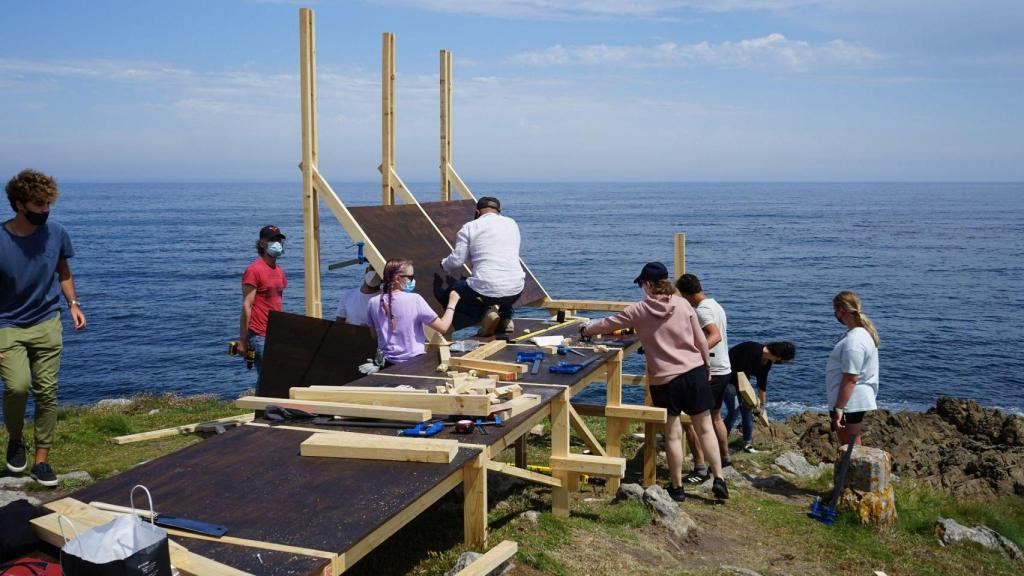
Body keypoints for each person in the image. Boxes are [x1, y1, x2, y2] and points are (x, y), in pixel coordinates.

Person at [582, 262, 729, 502]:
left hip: (665, 380)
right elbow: (701, 340)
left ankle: (677, 487)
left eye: (642, 284)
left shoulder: (638, 310)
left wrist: (586, 329)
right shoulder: (682, 303)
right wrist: (706, 367)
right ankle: (720, 478)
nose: (641, 288)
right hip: (694, 372)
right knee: (704, 428)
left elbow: (609, 323)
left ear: (649, 284)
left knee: (672, 435)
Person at [1, 169, 87, 487]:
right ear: (19, 204)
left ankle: (41, 461)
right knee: (17, 386)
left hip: (47, 320)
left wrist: (73, 305)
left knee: (47, 391)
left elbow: (63, 271)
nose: (45, 210)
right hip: (7, 324)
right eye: (38, 204)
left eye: (48, 203)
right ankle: (15, 439)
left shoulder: (57, 233)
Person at [675, 273, 732, 485]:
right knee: (715, 417)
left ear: (685, 294)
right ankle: (724, 458)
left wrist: (696, 353)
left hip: (713, 370)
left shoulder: (702, 310)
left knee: (693, 421)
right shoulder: (714, 304)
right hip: (724, 368)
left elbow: (714, 335)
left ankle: (700, 468)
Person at [440, 196, 524, 336]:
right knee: (502, 279)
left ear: (477, 212)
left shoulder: (469, 227)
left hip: (487, 291)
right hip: (516, 290)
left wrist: (444, 265)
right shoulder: (512, 223)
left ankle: (485, 315)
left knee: (456, 289)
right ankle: (506, 319)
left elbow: (457, 260)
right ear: (499, 211)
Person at [368, 259, 460, 365]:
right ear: (398, 278)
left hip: (385, 362)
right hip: (413, 362)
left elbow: (374, 335)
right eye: (410, 277)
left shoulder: (372, 302)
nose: (412, 280)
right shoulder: (415, 299)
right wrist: (452, 303)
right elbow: (443, 327)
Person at [827, 290, 880, 446]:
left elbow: (851, 377)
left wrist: (839, 408)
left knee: (850, 446)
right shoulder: (861, 334)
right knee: (851, 445)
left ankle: (853, 470)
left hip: (850, 402)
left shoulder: (854, 341)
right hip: (853, 400)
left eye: (835, 311)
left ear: (841, 311)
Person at [723, 341, 796, 452]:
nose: (780, 362)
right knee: (734, 410)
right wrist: (747, 396)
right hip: (727, 379)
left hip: (742, 381)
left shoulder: (767, 362)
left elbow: (762, 383)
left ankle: (747, 444)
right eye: (782, 359)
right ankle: (720, 444)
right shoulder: (751, 349)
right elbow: (741, 373)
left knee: (748, 408)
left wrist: (762, 405)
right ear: (779, 355)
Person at [238, 225, 287, 387]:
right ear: (261, 244)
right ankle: (262, 412)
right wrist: (243, 340)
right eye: (272, 240)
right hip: (259, 333)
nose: (277, 243)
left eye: (279, 240)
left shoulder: (279, 271)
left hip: (275, 332)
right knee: (268, 376)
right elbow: (247, 305)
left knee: (273, 375)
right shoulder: (254, 270)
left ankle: (266, 411)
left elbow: (277, 303)